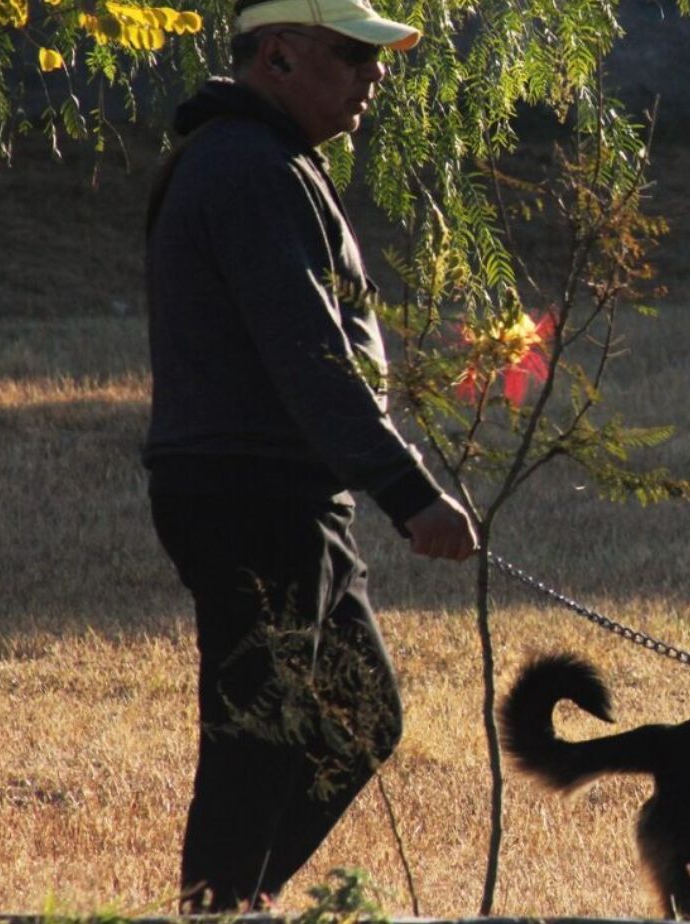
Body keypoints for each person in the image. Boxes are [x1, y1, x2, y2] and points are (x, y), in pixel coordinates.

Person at [142, 0, 477, 910]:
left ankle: (234, 904)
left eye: (376, 58)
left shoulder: (267, 161)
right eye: (352, 53)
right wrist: (408, 492)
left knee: (358, 715)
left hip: (286, 491)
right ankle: (217, 910)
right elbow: (309, 356)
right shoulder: (247, 169)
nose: (374, 75)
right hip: (251, 492)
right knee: (264, 731)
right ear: (280, 55)